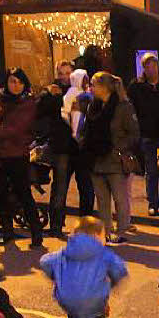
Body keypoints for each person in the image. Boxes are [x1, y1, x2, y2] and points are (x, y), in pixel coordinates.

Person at [40, 216, 128, 318]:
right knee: (100, 286)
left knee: (74, 289)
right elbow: (120, 269)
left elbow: (45, 262)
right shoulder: (103, 254)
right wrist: (112, 283)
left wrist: (56, 277)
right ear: (96, 237)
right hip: (93, 299)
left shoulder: (64, 252)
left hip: (66, 298)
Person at [0, 68, 44, 248]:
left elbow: (14, 130)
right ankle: (7, 233)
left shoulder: (28, 102)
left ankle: (36, 233)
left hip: (18, 155)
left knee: (24, 194)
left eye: (19, 82)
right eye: (12, 81)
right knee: (2, 194)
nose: (16, 85)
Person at [81, 72, 139, 243]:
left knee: (120, 198)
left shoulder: (123, 107)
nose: (91, 88)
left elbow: (134, 133)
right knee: (102, 199)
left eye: (94, 84)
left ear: (104, 87)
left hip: (114, 159)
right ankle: (105, 232)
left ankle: (122, 232)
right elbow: (87, 130)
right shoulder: (94, 106)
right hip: (96, 159)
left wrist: (119, 148)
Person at [127, 52, 159, 216]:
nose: (151, 69)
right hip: (148, 132)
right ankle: (153, 202)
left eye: (153, 65)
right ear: (143, 68)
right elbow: (131, 107)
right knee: (151, 170)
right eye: (147, 66)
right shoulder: (136, 86)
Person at [33, 86, 76, 238]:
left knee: (60, 188)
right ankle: (56, 225)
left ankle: (57, 224)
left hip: (62, 146)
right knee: (60, 188)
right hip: (60, 147)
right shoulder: (53, 98)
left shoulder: (77, 92)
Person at [63, 68, 95, 217]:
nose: (86, 82)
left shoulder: (89, 95)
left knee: (85, 183)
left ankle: (86, 215)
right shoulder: (71, 94)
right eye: (84, 79)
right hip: (71, 144)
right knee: (65, 184)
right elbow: (65, 113)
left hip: (83, 144)